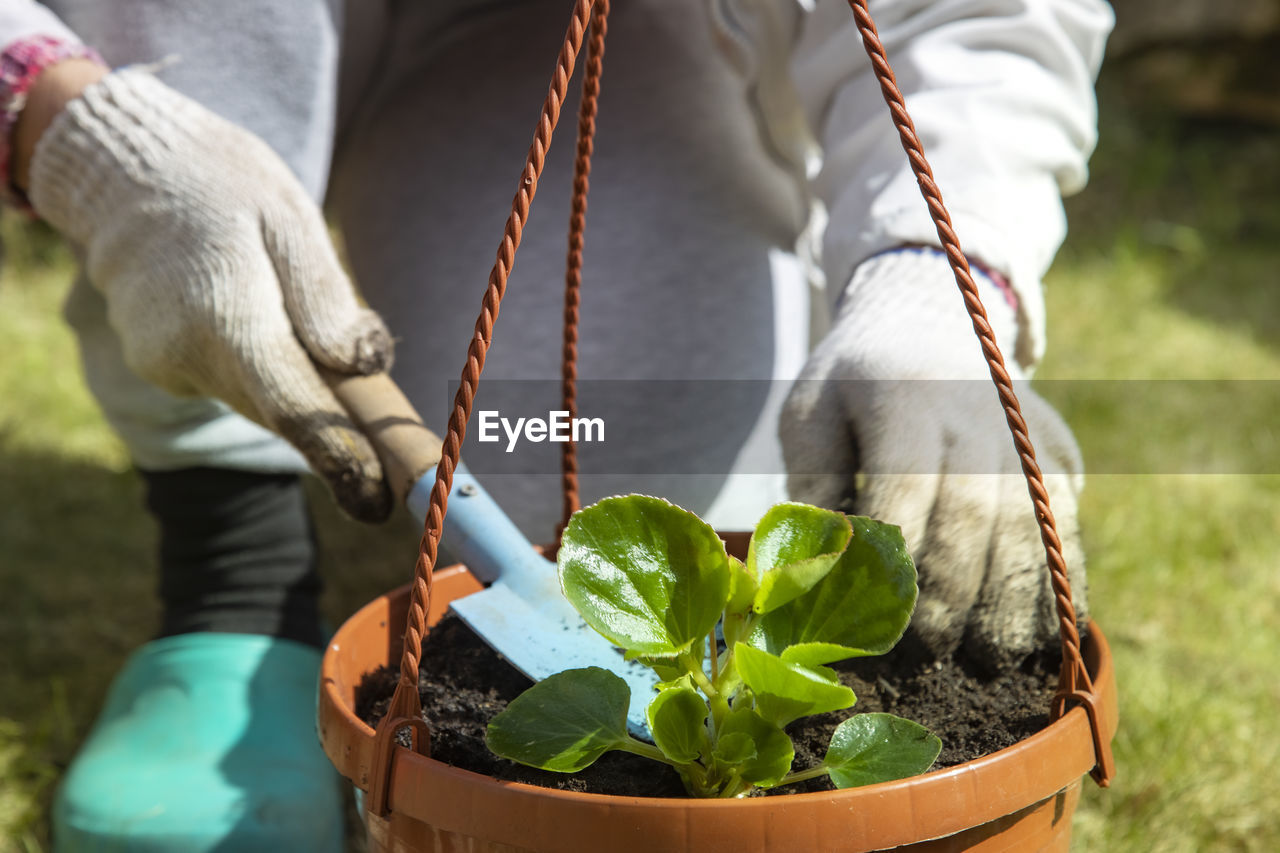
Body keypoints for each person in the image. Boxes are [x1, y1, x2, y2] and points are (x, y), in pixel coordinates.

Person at [0, 0, 1113, 848]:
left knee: (591, 488)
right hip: (212, 42)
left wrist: (937, 279)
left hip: (616, 38)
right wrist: (67, 120)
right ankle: (231, 573)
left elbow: (977, 16)